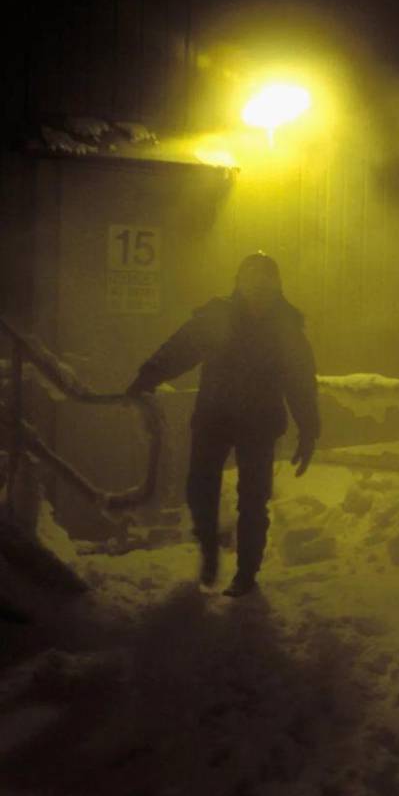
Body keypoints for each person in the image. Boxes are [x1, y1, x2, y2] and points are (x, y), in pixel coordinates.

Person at [126, 252, 319, 597]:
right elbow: (181, 349)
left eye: (265, 277)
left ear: (276, 284)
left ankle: (246, 574)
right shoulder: (218, 317)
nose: (258, 284)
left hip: (258, 424)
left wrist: (309, 428)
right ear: (239, 281)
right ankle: (209, 551)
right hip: (215, 417)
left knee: (253, 500)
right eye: (251, 276)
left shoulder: (286, 328)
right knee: (200, 491)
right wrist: (149, 374)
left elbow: (300, 382)